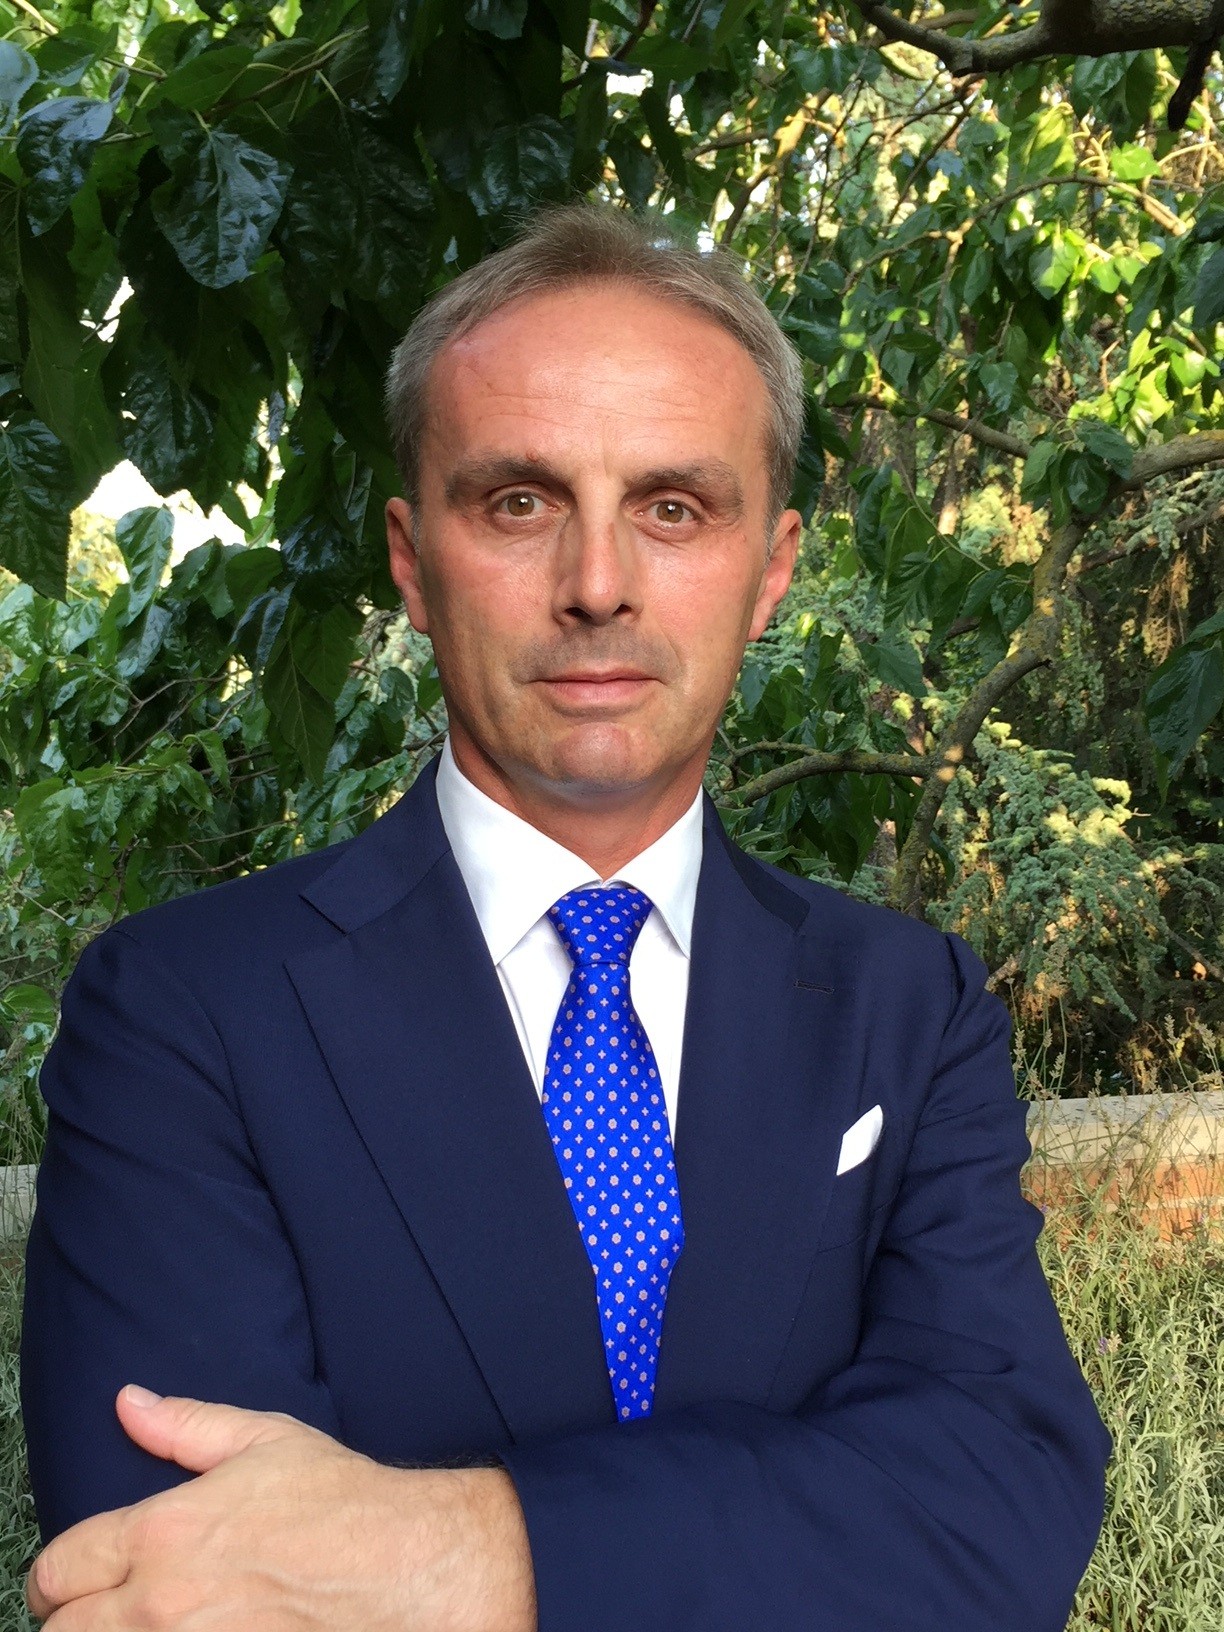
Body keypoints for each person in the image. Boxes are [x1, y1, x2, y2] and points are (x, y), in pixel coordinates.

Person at [20, 201, 1110, 1631]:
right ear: (411, 559)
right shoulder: (181, 1014)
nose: (599, 587)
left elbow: (997, 1502)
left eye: (674, 508)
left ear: (773, 568)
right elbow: (166, 1583)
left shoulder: (909, 1010)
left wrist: (471, 1553)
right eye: (520, 503)